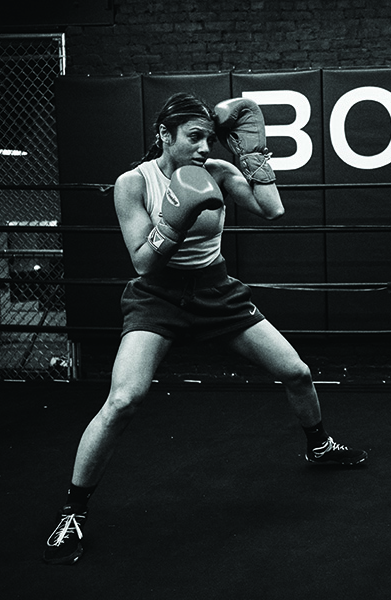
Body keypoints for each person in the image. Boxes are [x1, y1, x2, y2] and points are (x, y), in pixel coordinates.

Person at [43, 93, 367, 565]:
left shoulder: (220, 172)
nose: (202, 147)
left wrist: (252, 154)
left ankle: (319, 446)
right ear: (164, 136)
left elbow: (272, 211)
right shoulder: (133, 183)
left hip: (216, 291)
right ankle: (73, 511)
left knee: (296, 371)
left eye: (208, 138)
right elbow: (140, 260)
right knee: (123, 400)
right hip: (157, 296)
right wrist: (175, 218)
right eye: (193, 138)